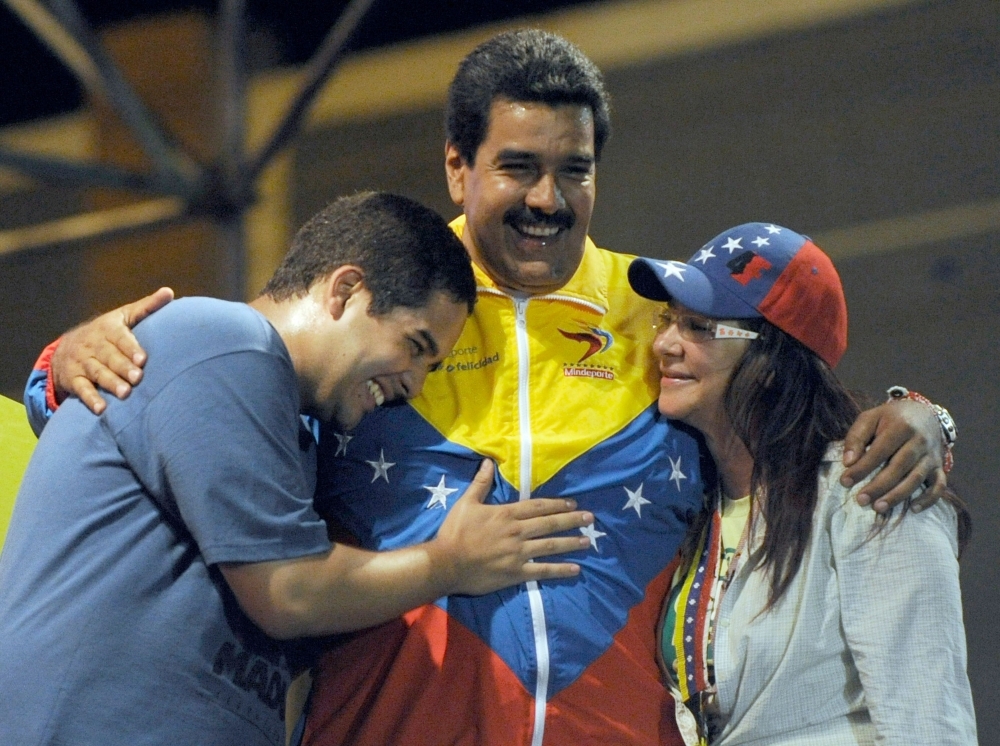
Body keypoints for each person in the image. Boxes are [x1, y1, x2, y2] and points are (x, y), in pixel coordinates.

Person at [22, 31, 956, 746]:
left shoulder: (662, 322)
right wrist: (56, 366)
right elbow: (202, 386)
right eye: (517, 166)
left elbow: (795, 409)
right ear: (457, 166)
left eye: (574, 171)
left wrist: (921, 416)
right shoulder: (382, 310)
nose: (547, 198)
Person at [0, 192, 595, 746]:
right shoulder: (224, 343)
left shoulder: (297, 432)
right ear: (345, 290)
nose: (413, 385)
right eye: (415, 347)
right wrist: (450, 562)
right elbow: (287, 593)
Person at [629, 222, 975, 744]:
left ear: (771, 361)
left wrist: (931, 419)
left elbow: (928, 719)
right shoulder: (696, 502)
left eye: (699, 327)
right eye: (669, 320)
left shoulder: (872, 486)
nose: (663, 344)